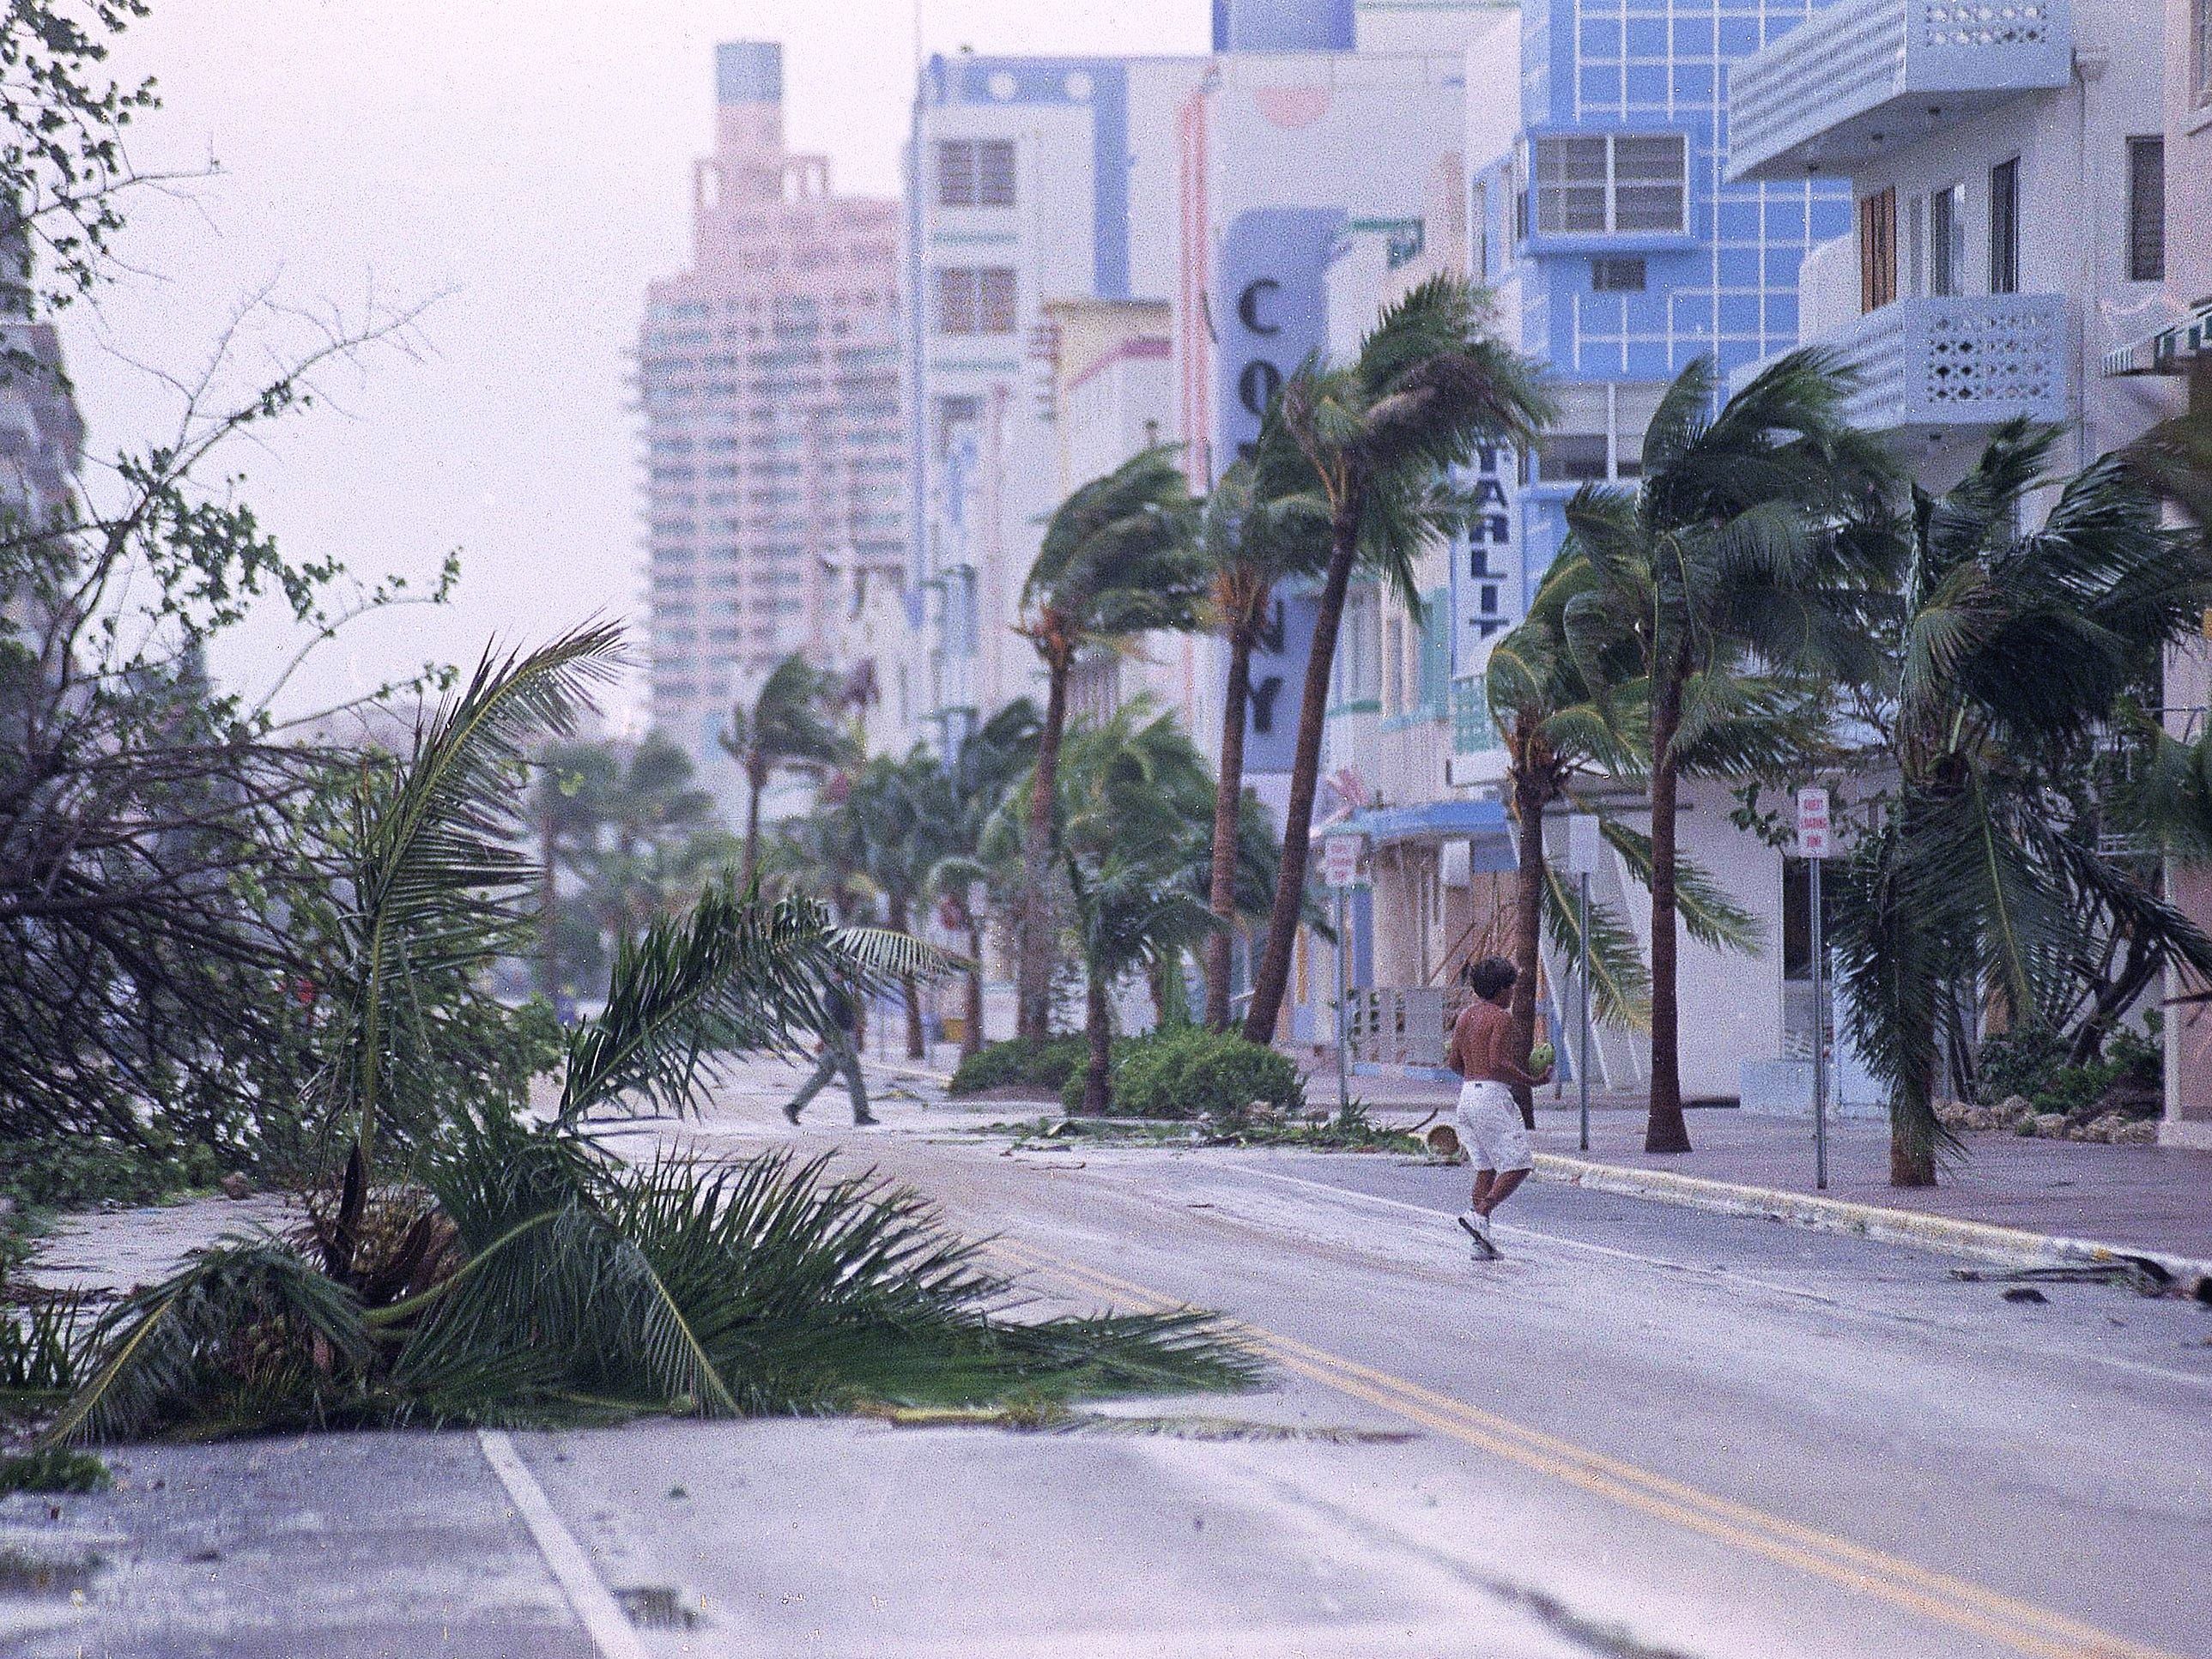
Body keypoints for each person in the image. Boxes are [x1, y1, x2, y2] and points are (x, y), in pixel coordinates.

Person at [1445, 955, 1549, 1261]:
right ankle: (1480, 1213)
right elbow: (1497, 1062)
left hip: (1467, 1096)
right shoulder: (1501, 1018)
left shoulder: (1466, 1016)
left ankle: (1481, 1240)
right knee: (1518, 1165)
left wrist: (1475, 1076)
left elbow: (1454, 1062)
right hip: (1491, 1097)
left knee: (1486, 1168)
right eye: (1511, 988)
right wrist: (1531, 1081)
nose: (1513, 994)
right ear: (1502, 989)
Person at [783, 977, 876, 1127]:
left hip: (837, 1037)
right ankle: (861, 1113)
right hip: (840, 1038)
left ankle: (794, 1107)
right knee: (853, 1073)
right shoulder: (838, 991)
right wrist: (825, 1039)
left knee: (823, 1075)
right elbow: (832, 1017)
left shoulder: (836, 989)